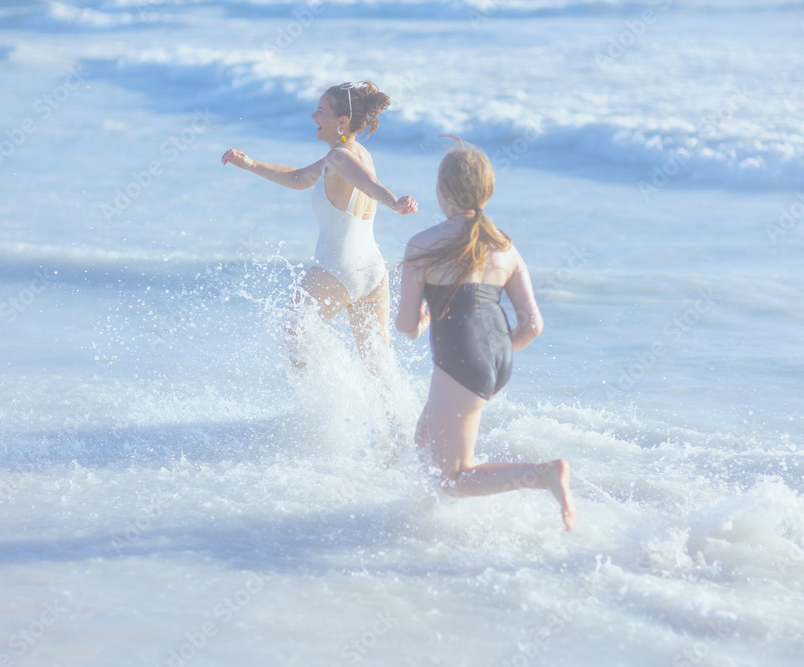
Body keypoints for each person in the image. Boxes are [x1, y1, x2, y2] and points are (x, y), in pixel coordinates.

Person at [395, 138, 576, 531]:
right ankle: (430, 524)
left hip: (462, 358)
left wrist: (429, 324)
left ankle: (543, 474)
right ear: (487, 192)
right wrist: (492, 350)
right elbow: (532, 324)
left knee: (455, 477)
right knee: (424, 436)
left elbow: (406, 326)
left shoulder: (422, 244)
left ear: (442, 191)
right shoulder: (504, 246)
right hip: (497, 357)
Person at [221, 81, 418, 367]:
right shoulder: (355, 154)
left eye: (320, 111)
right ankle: (399, 413)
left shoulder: (339, 157)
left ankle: (319, 410)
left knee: (293, 331)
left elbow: (369, 184)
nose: (313, 117)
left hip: (337, 268)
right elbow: (300, 178)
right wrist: (251, 164)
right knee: (380, 366)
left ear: (341, 121)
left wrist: (395, 203)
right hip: (373, 272)